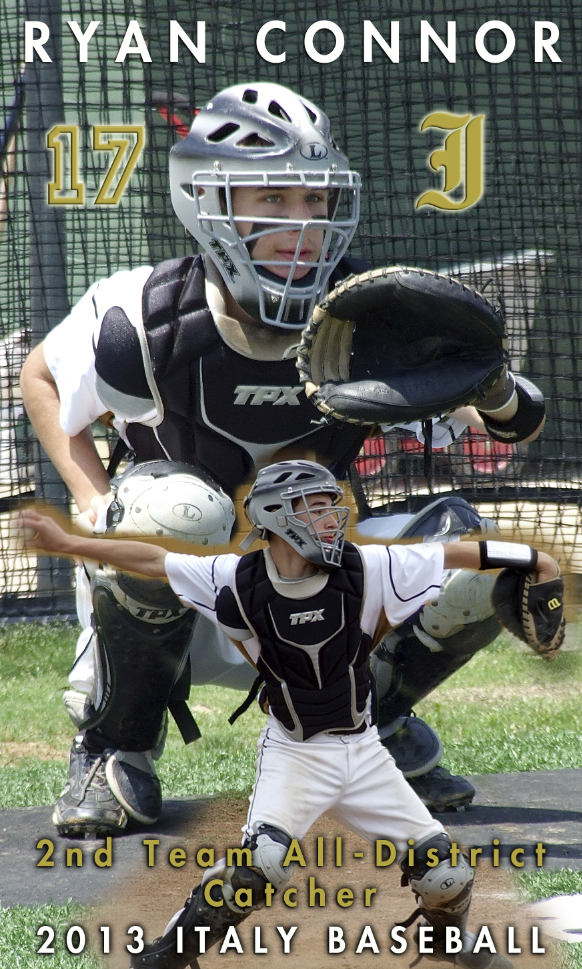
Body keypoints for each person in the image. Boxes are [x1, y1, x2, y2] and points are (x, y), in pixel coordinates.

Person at [19, 82, 546, 836]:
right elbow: (41, 376)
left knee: (487, 558)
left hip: (320, 607)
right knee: (176, 507)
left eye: (315, 200)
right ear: (208, 199)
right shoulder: (143, 311)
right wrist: (89, 495)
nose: (301, 225)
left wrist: (490, 386)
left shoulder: (367, 315)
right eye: (274, 199)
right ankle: (116, 744)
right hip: (176, 600)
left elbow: (508, 422)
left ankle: (371, 724)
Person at [20, 460, 558, 969]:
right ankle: (167, 954)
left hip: (365, 752)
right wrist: (68, 543)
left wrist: (538, 560)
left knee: (445, 874)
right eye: (315, 508)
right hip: (295, 754)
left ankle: (445, 940)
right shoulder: (237, 578)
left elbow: (455, 555)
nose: (332, 518)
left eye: (331, 506)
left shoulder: (370, 567)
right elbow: (155, 561)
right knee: (259, 868)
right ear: (277, 516)